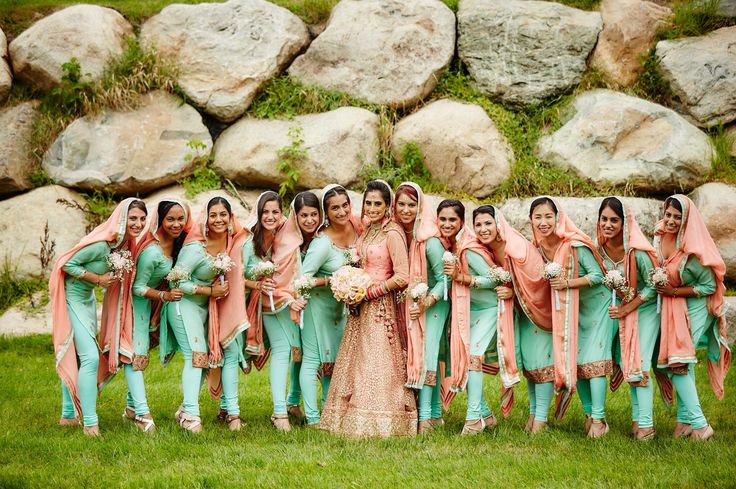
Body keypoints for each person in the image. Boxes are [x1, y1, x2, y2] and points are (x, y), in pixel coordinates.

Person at [320, 180, 416, 437]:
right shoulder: (368, 230)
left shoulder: (392, 233)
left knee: (376, 360)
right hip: (360, 305)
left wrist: (371, 292)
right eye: (369, 203)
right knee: (356, 358)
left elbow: (402, 276)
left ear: (388, 206)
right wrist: (351, 287)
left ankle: (381, 421)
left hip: (380, 306)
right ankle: (349, 417)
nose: (372, 208)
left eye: (378, 204)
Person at [51, 198, 147, 436]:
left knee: (79, 355)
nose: (138, 223)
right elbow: (66, 263)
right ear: (122, 218)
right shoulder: (102, 245)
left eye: (142, 219)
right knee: (90, 357)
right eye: (133, 218)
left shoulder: (124, 247)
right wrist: (98, 280)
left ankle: (68, 415)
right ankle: (91, 423)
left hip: (88, 299)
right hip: (72, 297)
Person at [162, 196, 246, 433]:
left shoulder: (230, 242)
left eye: (223, 215)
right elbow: (175, 282)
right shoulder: (195, 248)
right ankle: (190, 415)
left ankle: (185, 408)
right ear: (206, 219)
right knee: (195, 356)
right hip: (183, 304)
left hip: (206, 308)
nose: (218, 219)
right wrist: (210, 290)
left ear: (230, 218)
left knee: (207, 358)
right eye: (214, 215)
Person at [530, 197, 612, 438]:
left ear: (558, 217)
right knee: (578, 362)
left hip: (597, 305)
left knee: (593, 360)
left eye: (548, 216)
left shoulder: (575, 244)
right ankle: (589, 415)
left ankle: (599, 419)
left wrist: (566, 283)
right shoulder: (538, 247)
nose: (543, 222)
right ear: (531, 220)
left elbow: (598, 276)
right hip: (571, 309)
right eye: (538, 217)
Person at [654, 195, 730, 441]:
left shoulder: (693, 252)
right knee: (682, 362)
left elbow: (709, 286)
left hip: (699, 304)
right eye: (668, 215)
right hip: (677, 304)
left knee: (678, 362)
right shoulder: (662, 236)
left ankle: (700, 425)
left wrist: (673, 291)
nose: (671, 220)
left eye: (677, 217)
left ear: (687, 220)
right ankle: (683, 422)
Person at [123, 198, 191, 433]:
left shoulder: (179, 243)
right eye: (170, 219)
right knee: (135, 358)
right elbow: (137, 287)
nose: (176, 224)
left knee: (138, 357)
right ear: (160, 220)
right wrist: (164, 296)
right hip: (136, 308)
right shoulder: (151, 252)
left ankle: (131, 408)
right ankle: (142, 414)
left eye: (180, 218)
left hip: (153, 309)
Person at [297, 185, 361, 427]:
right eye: (335, 208)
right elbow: (302, 278)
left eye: (345, 205)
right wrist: (331, 280)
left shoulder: (356, 230)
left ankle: (329, 411)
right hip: (317, 307)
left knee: (332, 361)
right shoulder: (322, 242)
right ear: (326, 212)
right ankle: (312, 417)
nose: (342, 211)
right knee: (313, 359)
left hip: (340, 308)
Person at [596, 197, 660, 440]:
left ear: (624, 223)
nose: (608, 224)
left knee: (639, 364)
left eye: (614, 220)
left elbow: (655, 285)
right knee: (626, 362)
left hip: (644, 309)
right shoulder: (598, 250)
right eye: (604, 219)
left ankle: (646, 427)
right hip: (622, 311)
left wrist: (628, 308)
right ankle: (637, 420)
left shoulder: (637, 253)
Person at [441, 201, 503, 434]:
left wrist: (465, 279)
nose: (448, 224)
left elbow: (495, 278)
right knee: (464, 359)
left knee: (473, 357)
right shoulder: (456, 245)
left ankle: (473, 418)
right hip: (469, 310)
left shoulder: (468, 249)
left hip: (487, 309)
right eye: (443, 219)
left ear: (461, 222)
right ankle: (485, 414)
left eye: (453, 220)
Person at [243, 191, 301, 432]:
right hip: (248, 302)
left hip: (274, 298)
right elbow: (236, 275)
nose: (270, 216)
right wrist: (256, 284)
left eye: (275, 212)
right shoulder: (249, 242)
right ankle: (280, 411)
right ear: (257, 213)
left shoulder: (281, 235)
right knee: (281, 350)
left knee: (286, 349)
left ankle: (286, 407)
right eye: (265, 212)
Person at [395, 183, 450, 434]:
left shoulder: (429, 240)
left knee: (427, 356)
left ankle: (424, 418)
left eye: (411, 204)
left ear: (420, 207)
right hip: (409, 306)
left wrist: (426, 302)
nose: (406, 210)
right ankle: (436, 413)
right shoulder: (396, 234)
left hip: (434, 305)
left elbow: (443, 279)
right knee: (419, 355)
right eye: (402, 204)